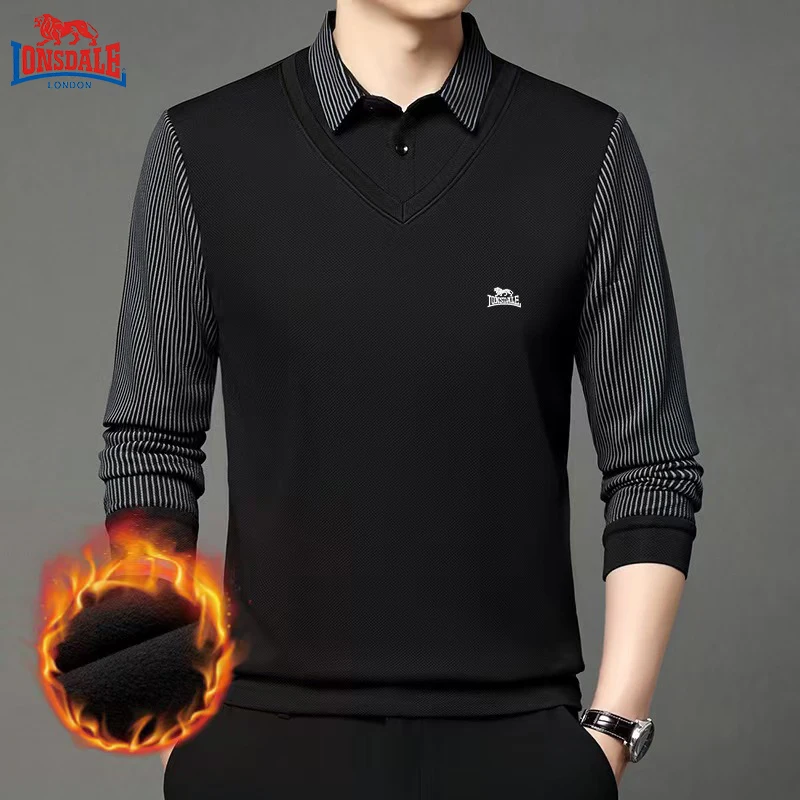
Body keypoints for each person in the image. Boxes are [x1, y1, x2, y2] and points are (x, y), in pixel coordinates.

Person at [98, 1, 704, 797]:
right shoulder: (203, 148)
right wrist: (168, 717)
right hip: (258, 750)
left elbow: (653, 464)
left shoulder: (587, 150)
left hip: (520, 749)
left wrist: (613, 732)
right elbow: (150, 448)